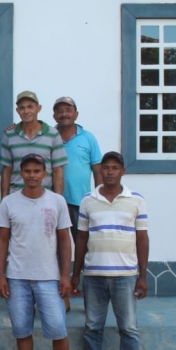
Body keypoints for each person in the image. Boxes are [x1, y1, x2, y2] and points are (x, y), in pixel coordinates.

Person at [0, 154, 77, 350]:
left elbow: (64, 239)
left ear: (45, 174)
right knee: (22, 330)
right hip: (17, 277)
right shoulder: (9, 202)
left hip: (49, 277)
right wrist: (1, 275)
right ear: (21, 174)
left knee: (58, 329)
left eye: (36, 171)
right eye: (27, 171)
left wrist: (65, 275)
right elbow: (2, 240)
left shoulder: (57, 201)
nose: (32, 175)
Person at [72, 151, 149, 350]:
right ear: (100, 171)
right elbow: (81, 238)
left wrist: (143, 276)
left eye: (115, 167)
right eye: (106, 168)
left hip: (126, 276)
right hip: (93, 275)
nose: (110, 172)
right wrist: (76, 273)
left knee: (128, 327)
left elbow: (142, 238)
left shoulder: (136, 200)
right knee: (93, 326)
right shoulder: (88, 200)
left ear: (123, 171)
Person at [52, 96, 103, 241]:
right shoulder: (48, 136)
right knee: (54, 244)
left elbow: (97, 170)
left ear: (76, 114)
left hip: (80, 201)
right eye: (60, 111)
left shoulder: (88, 138)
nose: (64, 114)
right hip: (54, 199)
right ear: (54, 116)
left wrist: (99, 198)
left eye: (68, 110)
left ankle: (83, 265)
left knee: (82, 241)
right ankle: (61, 265)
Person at [0, 91, 67, 198]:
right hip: (15, 196)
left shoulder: (53, 134)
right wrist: (4, 199)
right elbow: (7, 169)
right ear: (17, 111)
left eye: (30, 107)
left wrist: (58, 199)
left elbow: (57, 170)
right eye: (22, 108)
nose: (26, 111)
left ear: (38, 108)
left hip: (45, 197)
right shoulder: (9, 135)